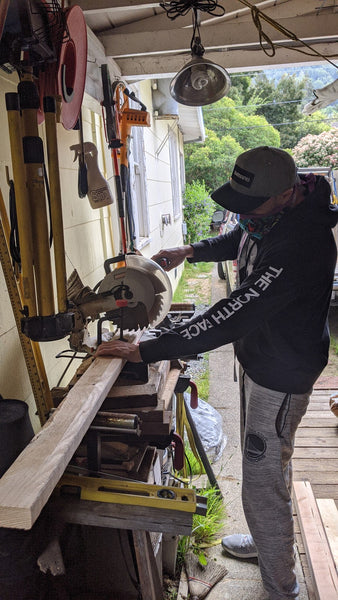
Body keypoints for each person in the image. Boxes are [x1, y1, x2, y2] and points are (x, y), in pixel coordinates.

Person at [95, 146, 338, 600]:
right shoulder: (270, 216)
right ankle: (270, 546)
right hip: (264, 361)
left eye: (252, 206)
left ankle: (282, 587)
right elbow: (243, 238)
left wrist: (148, 349)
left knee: (263, 481)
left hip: (281, 375)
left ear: (286, 195)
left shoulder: (302, 245)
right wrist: (193, 249)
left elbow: (233, 313)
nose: (244, 214)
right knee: (267, 469)